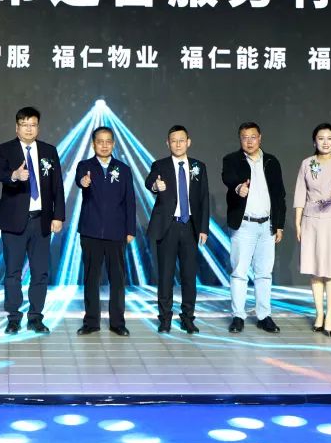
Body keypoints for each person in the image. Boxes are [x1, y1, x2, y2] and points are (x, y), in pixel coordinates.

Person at [0, 107, 65, 335]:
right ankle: (13, 318)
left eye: (33, 125)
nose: (29, 129)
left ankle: (36, 318)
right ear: (17, 127)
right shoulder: (5, 149)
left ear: (38, 127)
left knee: (40, 272)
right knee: (13, 273)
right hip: (14, 222)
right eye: (24, 125)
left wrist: (58, 216)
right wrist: (14, 175)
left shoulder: (49, 151)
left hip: (41, 220)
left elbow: (57, 185)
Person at [221, 121, 286, 333]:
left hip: (267, 226)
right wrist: (239, 188)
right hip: (244, 225)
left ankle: (264, 316)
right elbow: (228, 178)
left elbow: (279, 195)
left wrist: (279, 225)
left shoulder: (271, 162)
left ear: (260, 138)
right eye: (244, 137)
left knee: (264, 273)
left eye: (253, 137)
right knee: (239, 273)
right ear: (240, 139)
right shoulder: (232, 160)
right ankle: (238, 316)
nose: (249, 141)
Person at [145, 125, 210, 334]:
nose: (178, 144)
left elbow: (204, 198)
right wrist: (156, 186)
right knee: (165, 276)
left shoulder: (199, 166)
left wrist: (203, 228)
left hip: (190, 226)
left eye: (181, 140)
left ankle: (188, 318)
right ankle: (165, 319)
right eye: (174, 141)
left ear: (188, 142)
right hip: (168, 226)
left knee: (189, 277)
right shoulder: (160, 165)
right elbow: (149, 182)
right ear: (168, 143)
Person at [293, 123, 331, 337]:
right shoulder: (307, 163)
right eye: (321, 138)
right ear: (314, 142)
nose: (325, 142)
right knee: (316, 270)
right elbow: (300, 193)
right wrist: (298, 223)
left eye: (329, 138)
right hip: (311, 219)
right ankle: (319, 314)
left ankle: (330, 317)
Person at [74, 127, 136, 337]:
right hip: (91, 231)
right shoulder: (85, 166)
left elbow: (130, 201)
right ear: (93, 144)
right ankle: (91, 322)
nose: (104, 145)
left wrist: (130, 229)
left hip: (116, 232)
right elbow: (80, 180)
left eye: (108, 141)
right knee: (91, 279)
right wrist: (83, 182)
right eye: (100, 141)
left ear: (113, 144)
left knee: (117, 280)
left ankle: (117, 322)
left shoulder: (123, 169)